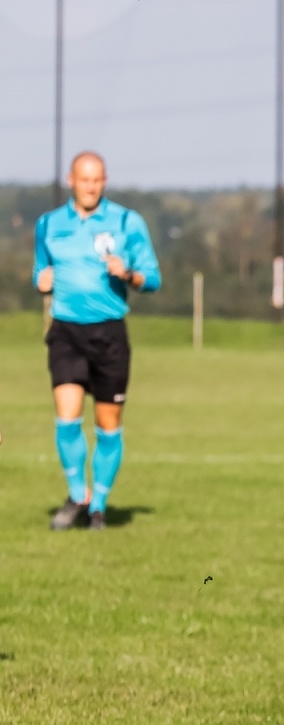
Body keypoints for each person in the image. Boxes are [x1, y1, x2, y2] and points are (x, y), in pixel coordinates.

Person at [33, 152, 162, 531]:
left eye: (98, 180)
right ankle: (78, 495)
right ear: (71, 180)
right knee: (68, 418)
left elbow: (153, 279)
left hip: (109, 335)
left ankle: (99, 507)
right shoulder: (48, 224)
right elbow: (41, 269)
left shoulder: (126, 222)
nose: (91, 186)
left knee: (108, 425)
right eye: (84, 179)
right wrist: (40, 280)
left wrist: (130, 274)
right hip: (66, 332)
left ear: (104, 181)